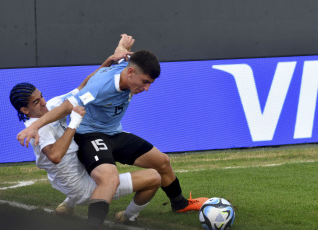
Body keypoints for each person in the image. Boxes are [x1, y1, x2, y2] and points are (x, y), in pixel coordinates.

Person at [17, 41, 209, 227]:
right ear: (131, 72)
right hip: (90, 136)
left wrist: (121, 47)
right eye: (145, 82)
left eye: (150, 83)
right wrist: (35, 126)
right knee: (109, 178)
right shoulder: (101, 87)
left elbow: (121, 57)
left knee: (163, 162)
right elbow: (69, 105)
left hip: (113, 132)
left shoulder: (126, 66)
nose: (147, 88)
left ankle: (180, 204)